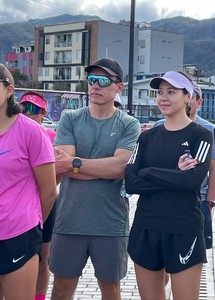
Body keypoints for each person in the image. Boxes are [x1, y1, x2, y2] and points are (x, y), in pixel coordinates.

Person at [49, 58, 140, 300]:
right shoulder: (70, 118)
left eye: (103, 81)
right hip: (69, 219)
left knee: (111, 291)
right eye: (91, 80)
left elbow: (121, 168)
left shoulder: (129, 125)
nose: (95, 86)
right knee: (60, 290)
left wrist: (76, 163)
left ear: (119, 87)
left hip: (110, 223)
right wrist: (101, 167)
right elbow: (60, 165)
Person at [125, 71, 213, 300]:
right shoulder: (147, 137)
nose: (163, 98)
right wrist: (175, 175)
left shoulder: (201, 136)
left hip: (183, 229)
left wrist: (149, 171)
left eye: (171, 92)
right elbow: (131, 182)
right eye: (160, 92)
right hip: (146, 227)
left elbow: (193, 180)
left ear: (188, 96)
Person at [0, 64, 57, 300]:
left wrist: (31, 222)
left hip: (19, 233)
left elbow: (49, 191)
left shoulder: (31, 132)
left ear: (9, 90)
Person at [155, 81, 215, 249]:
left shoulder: (208, 130)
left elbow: (214, 168)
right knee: (161, 251)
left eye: (190, 96)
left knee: (191, 252)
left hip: (197, 198)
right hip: (163, 196)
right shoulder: (158, 127)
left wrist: (210, 202)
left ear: (197, 102)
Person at [19, 91, 57, 300]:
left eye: (33, 109)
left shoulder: (52, 136)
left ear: (43, 112)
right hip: (20, 206)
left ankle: (39, 297)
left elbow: (56, 176)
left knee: (43, 258)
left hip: (45, 201)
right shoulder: (15, 132)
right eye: (24, 108)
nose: (27, 113)